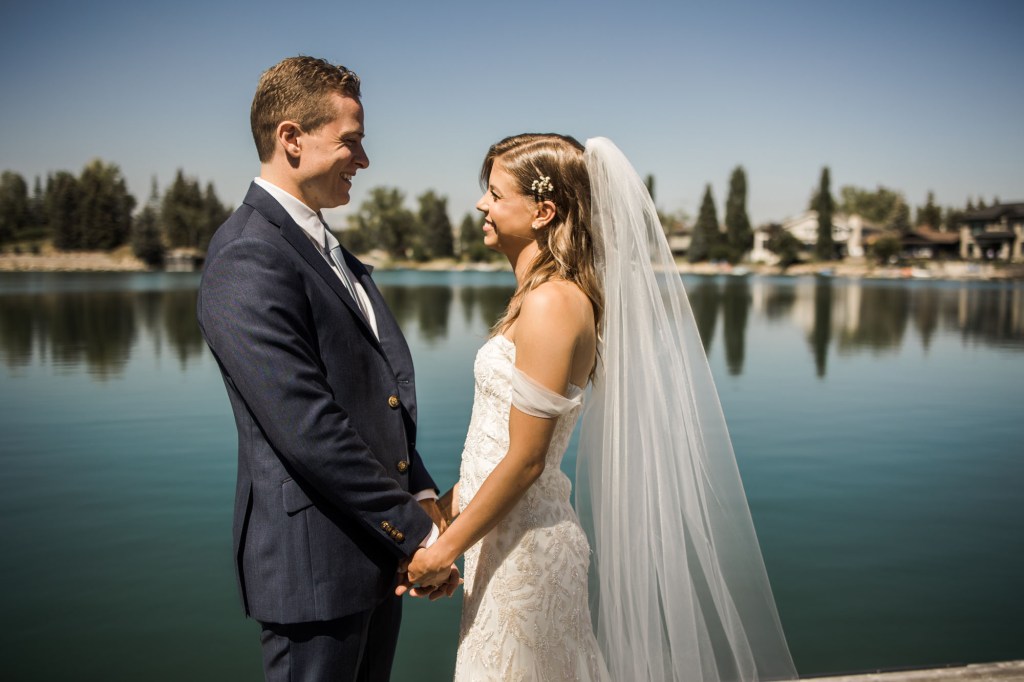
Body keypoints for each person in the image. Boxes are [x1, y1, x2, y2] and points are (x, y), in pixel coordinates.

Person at [402, 134, 798, 681]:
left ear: (543, 212)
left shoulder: (552, 303)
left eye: (494, 193)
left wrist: (443, 549)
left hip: (529, 559)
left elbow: (526, 460)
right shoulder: (538, 298)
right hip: (499, 542)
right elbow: (494, 447)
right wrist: (442, 512)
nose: (480, 205)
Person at [197, 56, 458, 682]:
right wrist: (421, 534)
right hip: (313, 569)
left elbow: (375, 392)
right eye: (351, 142)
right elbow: (307, 426)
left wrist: (418, 489)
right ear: (291, 138)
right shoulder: (247, 256)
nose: (363, 161)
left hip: (372, 552)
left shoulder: (327, 247)